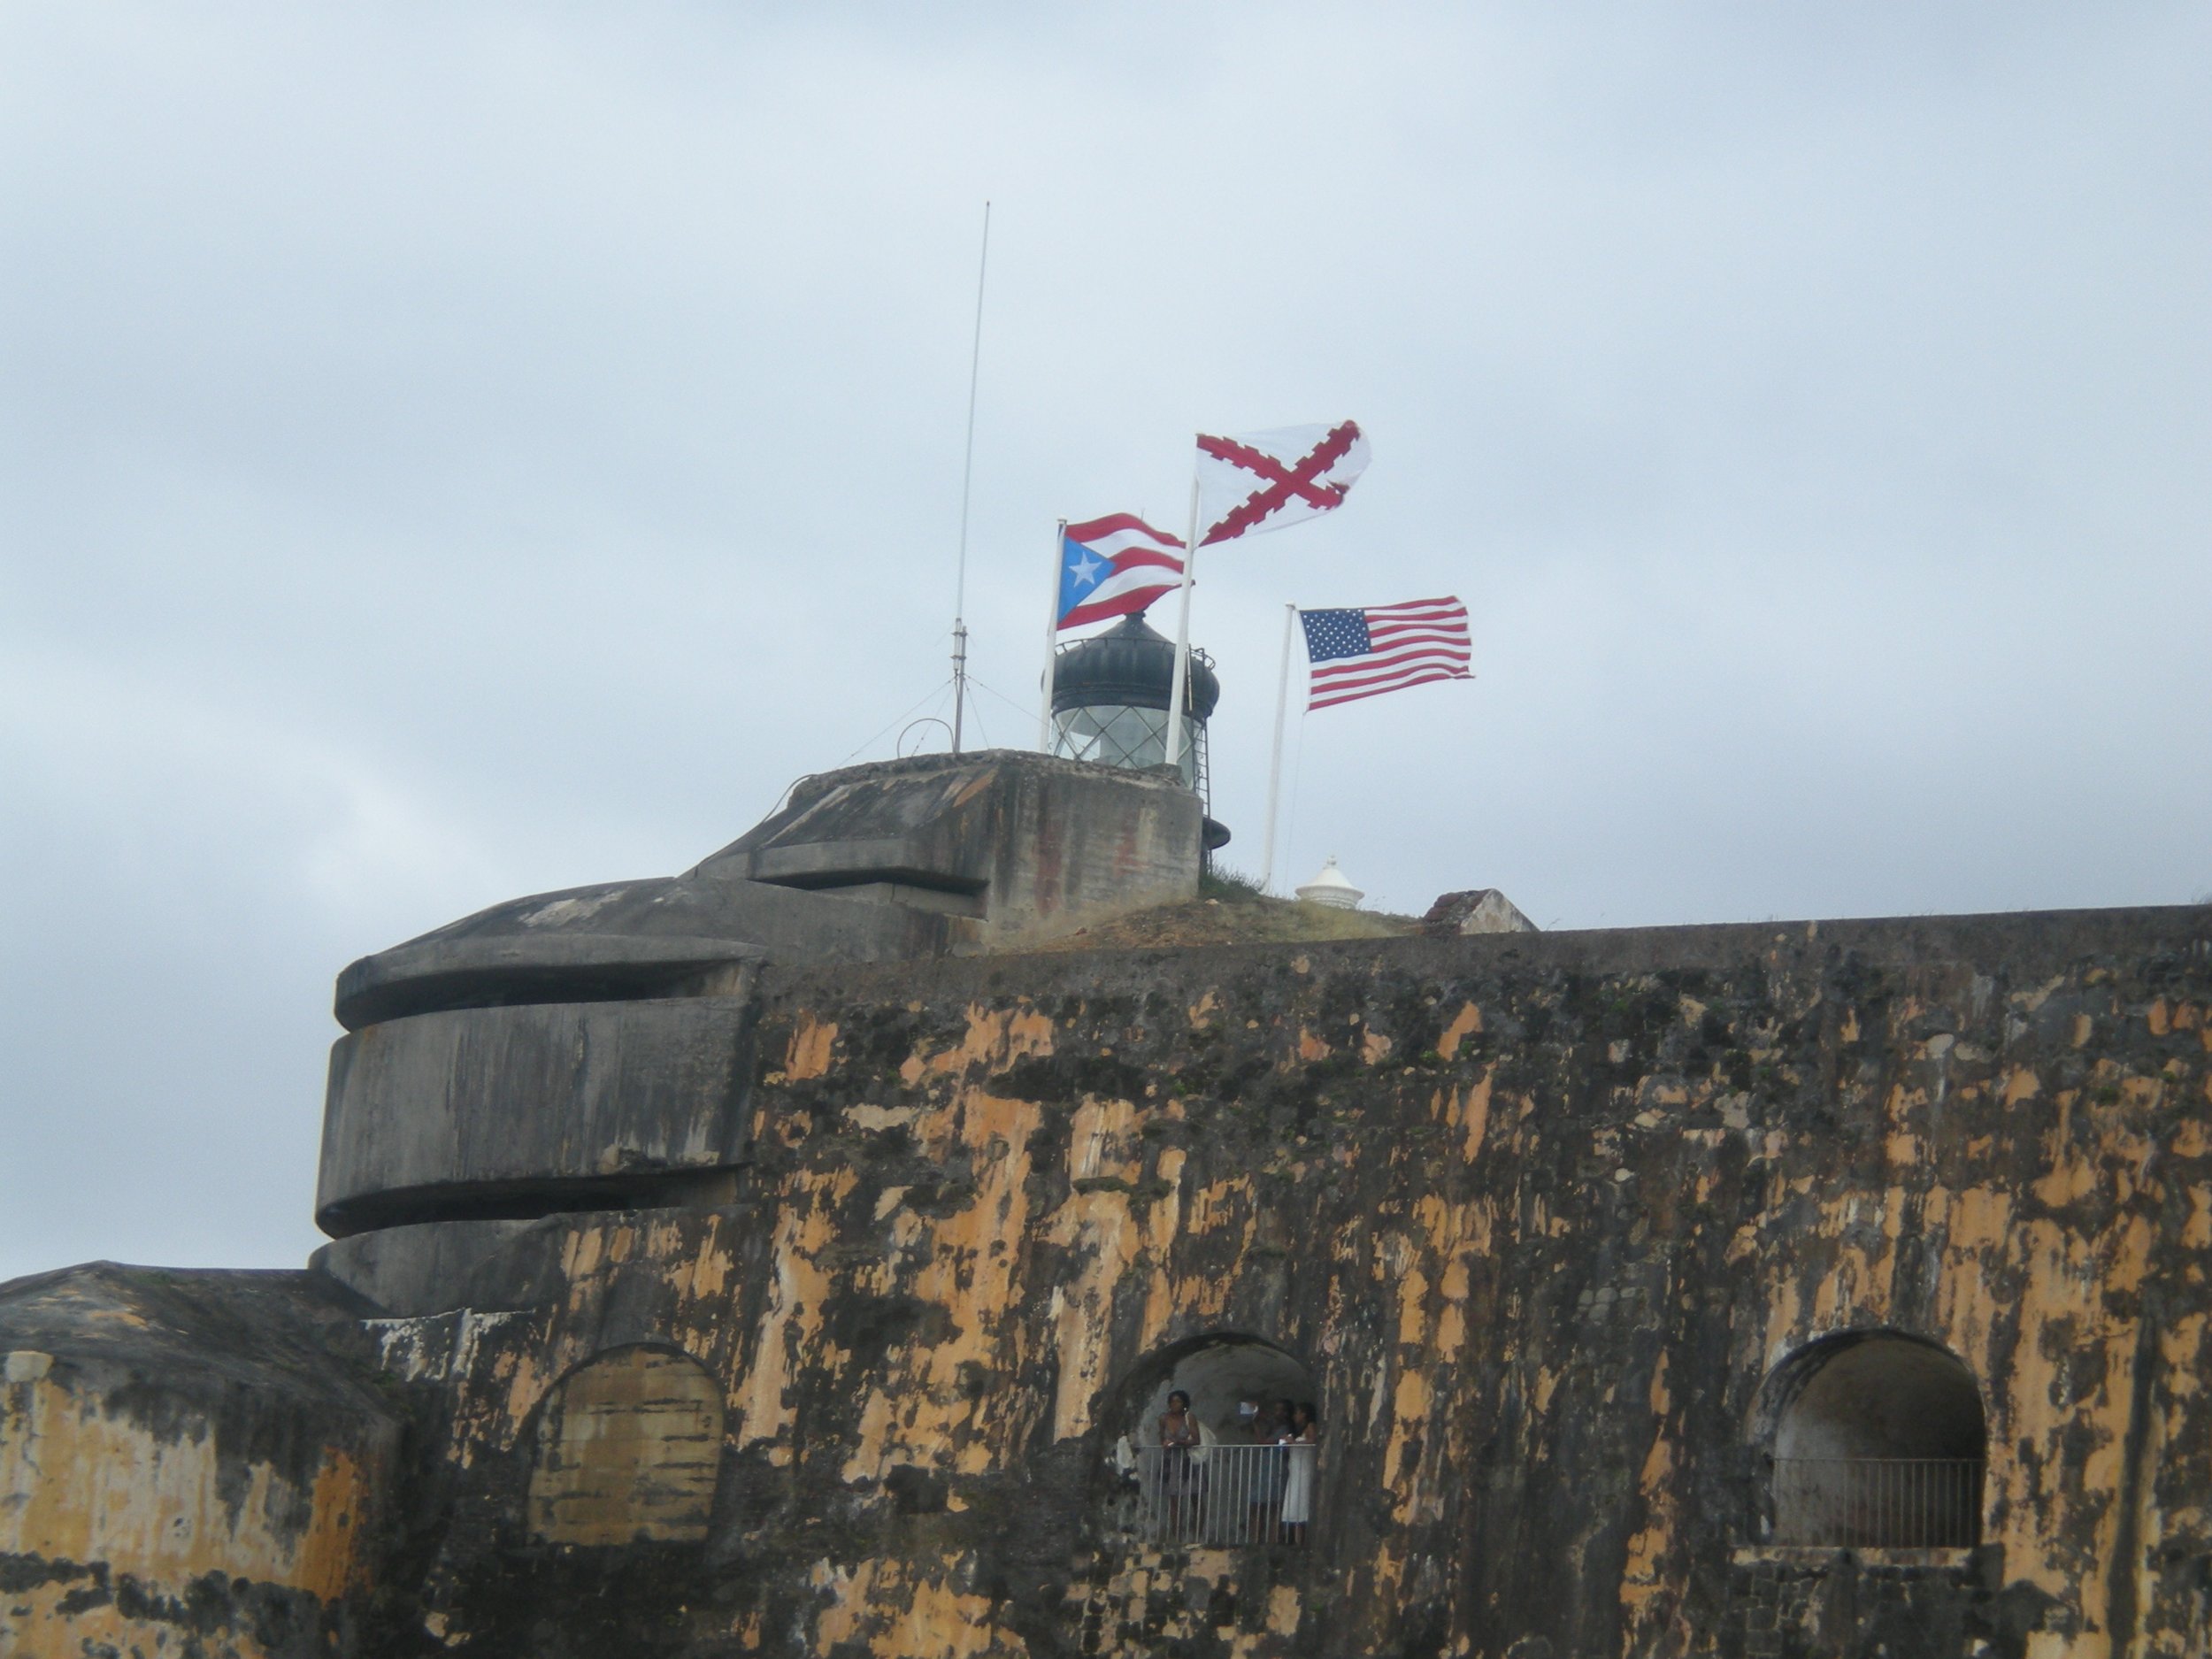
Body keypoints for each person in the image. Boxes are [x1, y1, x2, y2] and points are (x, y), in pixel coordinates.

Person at [1157, 1388, 1202, 1539]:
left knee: (1195, 1496)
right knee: (1174, 1498)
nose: (1174, 1404)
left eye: (1177, 1401)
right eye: (1172, 1401)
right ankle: (1175, 1535)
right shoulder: (1163, 1419)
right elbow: (1161, 1438)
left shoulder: (1189, 1418)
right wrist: (1166, 1443)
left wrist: (1179, 1442)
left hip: (1187, 1460)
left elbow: (1196, 1440)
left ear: (1184, 1403)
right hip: (1171, 1461)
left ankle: (1198, 1533)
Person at [1279, 1400, 1318, 1545]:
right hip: (1295, 1470)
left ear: (1304, 1414)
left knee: (1301, 1503)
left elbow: (1313, 1440)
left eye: (1297, 1412)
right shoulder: (1298, 1429)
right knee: (1294, 1504)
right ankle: (1296, 1540)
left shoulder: (1310, 1426)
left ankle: (1301, 1540)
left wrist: (1294, 1443)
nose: (1295, 1415)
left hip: (1303, 1470)